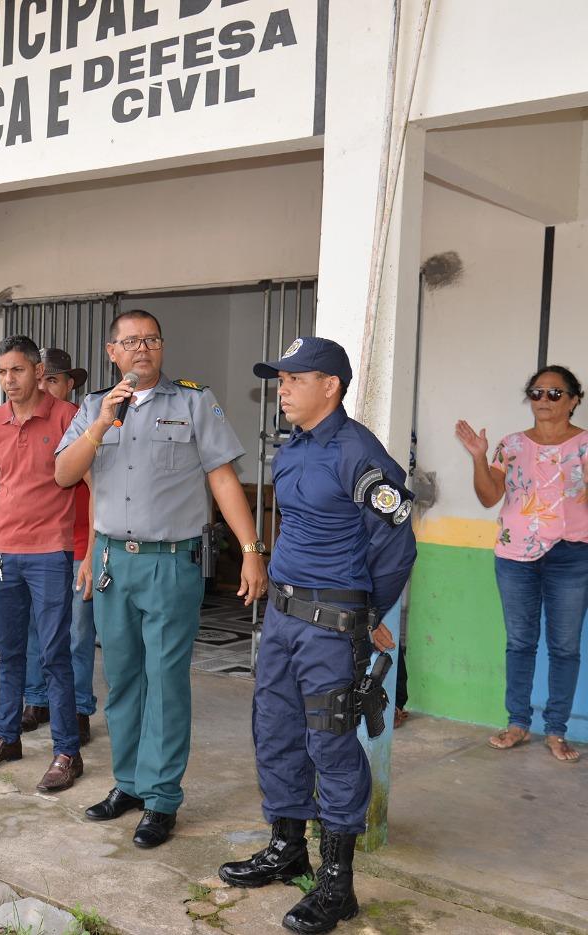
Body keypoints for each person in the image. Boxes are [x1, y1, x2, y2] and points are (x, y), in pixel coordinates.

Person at [218, 337, 416, 935]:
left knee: (330, 742)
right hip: (281, 618)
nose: (283, 389)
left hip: (331, 626)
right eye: (280, 379)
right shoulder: (293, 448)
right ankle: (287, 849)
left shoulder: (360, 453)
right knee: (275, 729)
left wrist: (362, 612)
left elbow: (396, 545)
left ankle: (337, 885)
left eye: (294, 379)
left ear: (329, 386)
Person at [54, 309, 265, 850]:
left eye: (151, 340)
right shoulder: (93, 407)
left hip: (171, 562)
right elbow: (63, 473)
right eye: (130, 342)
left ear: (162, 348)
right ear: (112, 353)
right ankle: (129, 783)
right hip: (110, 563)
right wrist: (101, 421)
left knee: (166, 681)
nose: (141, 349)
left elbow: (222, 477)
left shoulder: (194, 401)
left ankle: (163, 797)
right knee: (122, 679)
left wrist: (250, 550)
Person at [0, 336, 83, 792]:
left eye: (17, 370)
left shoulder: (69, 417)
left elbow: (90, 484)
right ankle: (5, 737)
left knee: (55, 655)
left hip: (51, 553)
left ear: (37, 371)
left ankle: (66, 751)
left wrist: (88, 550)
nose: (9, 380)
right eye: (2, 372)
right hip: (3, 555)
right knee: (9, 653)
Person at [456, 365, 586, 764]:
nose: (543, 400)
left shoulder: (584, 446)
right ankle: (517, 723)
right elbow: (488, 496)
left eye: (554, 393)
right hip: (515, 556)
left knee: (564, 646)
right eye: (536, 392)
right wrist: (479, 458)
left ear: (574, 400)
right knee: (520, 642)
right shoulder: (510, 445)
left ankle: (557, 729)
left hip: (571, 555)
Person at [23, 347, 96, 743]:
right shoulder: (26, 421)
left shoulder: (87, 423)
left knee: (78, 631)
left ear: (70, 383)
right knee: (36, 626)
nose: (45, 386)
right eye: (41, 379)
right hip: (38, 542)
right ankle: (36, 699)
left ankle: (79, 706)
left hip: (80, 540)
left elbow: (97, 487)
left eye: (53, 379)